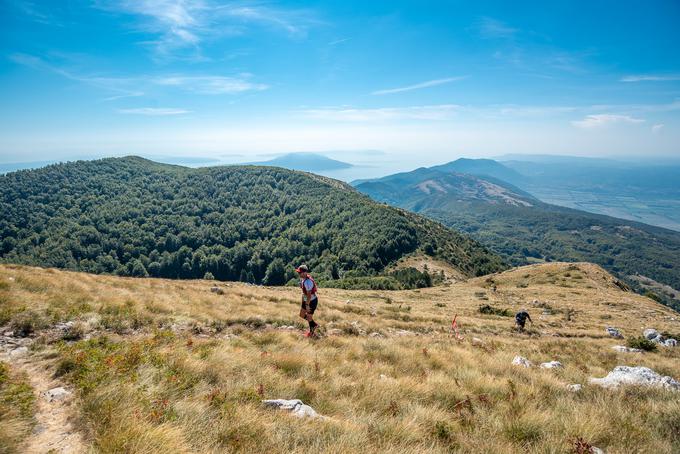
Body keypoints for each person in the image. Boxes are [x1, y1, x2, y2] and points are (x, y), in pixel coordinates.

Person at [296, 265, 319, 337]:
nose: (299, 274)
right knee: (302, 315)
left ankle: (312, 333)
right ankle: (314, 324)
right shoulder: (303, 279)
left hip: (311, 301)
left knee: (309, 317)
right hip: (306, 300)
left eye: (300, 272)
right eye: (299, 272)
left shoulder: (308, 282)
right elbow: (305, 293)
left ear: (305, 272)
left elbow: (309, 295)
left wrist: (307, 305)